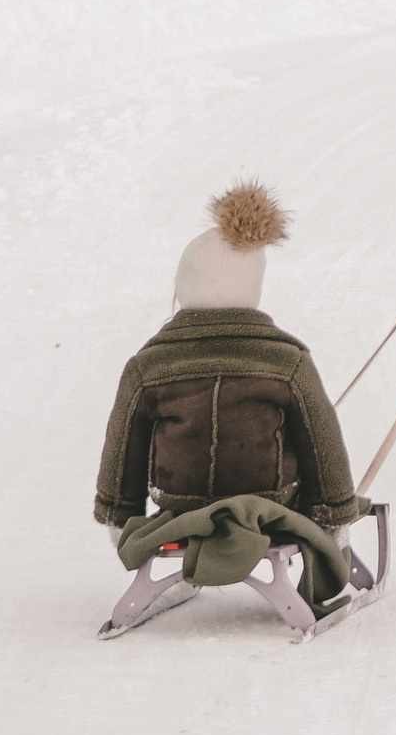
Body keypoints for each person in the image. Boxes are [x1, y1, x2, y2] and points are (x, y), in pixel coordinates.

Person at [93, 182, 370, 546]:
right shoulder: (288, 361)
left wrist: (119, 513)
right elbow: (322, 441)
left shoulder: (147, 365)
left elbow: (123, 443)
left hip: (180, 509)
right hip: (269, 507)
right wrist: (333, 511)